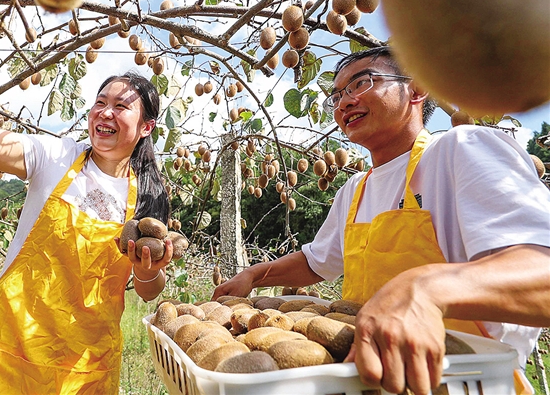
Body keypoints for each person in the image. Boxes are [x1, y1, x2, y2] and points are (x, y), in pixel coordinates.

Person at [213, 46, 550, 395]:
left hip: (462, 383)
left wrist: (426, 289)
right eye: (337, 96)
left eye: (361, 83)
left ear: (417, 89)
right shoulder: (355, 189)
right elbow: (316, 262)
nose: (343, 103)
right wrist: (253, 276)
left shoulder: (462, 150)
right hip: (368, 380)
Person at [0, 0, 173, 395]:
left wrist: (151, 271)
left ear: (145, 127)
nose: (105, 113)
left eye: (120, 107)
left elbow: (146, 292)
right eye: (99, 103)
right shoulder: (53, 156)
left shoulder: (148, 199)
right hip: (6, 353)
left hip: (85, 369)